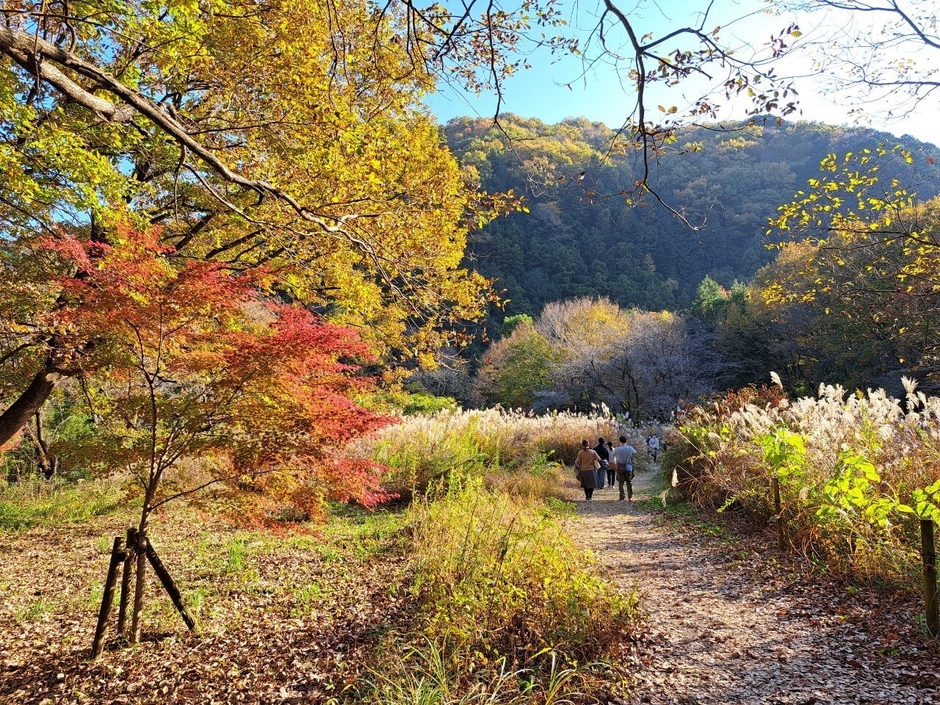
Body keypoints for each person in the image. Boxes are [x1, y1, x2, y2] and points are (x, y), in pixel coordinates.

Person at [611, 435, 637, 501]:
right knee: (629, 482)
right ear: (626, 441)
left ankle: (622, 496)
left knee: (621, 483)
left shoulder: (617, 449)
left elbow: (613, 456)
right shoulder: (630, 448)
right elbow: (635, 453)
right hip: (628, 467)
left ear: (619, 441)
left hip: (619, 467)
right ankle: (630, 496)